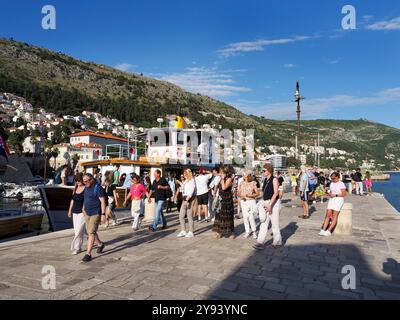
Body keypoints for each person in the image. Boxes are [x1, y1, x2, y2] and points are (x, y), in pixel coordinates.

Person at [253, 164, 282, 250]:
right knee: (264, 222)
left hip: (274, 203)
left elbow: (276, 193)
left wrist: (270, 205)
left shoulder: (274, 179)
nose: (263, 172)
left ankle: (277, 242)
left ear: (269, 171)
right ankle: (260, 242)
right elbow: (264, 192)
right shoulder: (265, 180)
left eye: (264, 171)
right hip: (266, 202)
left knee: (274, 223)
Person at [81, 173, 107, 262]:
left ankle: (88, 254)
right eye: (83, 181)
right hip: (87, 213)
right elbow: (85, 198)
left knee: (91, 233)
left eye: (86, 181)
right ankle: (100, 244)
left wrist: (103, 215)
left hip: (95, 213)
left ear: (91, 179)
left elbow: (103, 202)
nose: (84, 183)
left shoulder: (98, 188)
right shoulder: (86, 188)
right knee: (90, 232)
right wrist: (83, 208)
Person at [319, 172, 347, 237]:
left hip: (338, 199)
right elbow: (331, 192)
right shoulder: (331, 183)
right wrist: (328, 193)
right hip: (332, 199)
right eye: (331, 178)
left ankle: (329, 231)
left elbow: (344, 194)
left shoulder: (341, 183)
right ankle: (323, 229)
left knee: (334, 215)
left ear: (338, 177)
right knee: (328, 214)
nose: (332, 179)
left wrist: (335, 195)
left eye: (333, 178)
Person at [212, 167, 235, 240]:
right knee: (219, 215)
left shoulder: (229, 179)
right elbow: (218, 187)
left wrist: (222, 179)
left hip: (227, 200)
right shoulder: (221, 178)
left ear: (226, 173)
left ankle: (230, 232)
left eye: (222, 172)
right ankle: (219, 232)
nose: (221, 174)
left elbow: (224, 187)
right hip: (221, 199)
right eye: (221, 172)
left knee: (227, 216)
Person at [67, 173, 86, 255]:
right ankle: (91, 237)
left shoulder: (86, 188)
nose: (78, 182)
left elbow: (87, 200)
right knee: (77, 231)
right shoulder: (75, 187)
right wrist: (69, 210)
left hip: (82, 212)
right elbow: (73, 200)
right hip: (75, 211)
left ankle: (77, 248)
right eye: (76, 181)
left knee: (79, 231)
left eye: (79, 181)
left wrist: (84, 209)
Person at [238, 170, 259, 239]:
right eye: (243, 174)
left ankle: (254, 231)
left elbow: (257, 193)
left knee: (251, 217)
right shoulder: (241, 183)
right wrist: (241, 196)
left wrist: (250, 196)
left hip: (251, 201)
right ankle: (247, 231)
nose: (243, 175)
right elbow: (238, 193)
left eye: (244, 174)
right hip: (243, 201)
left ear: (248, 175)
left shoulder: (253, 183)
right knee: (245, 217)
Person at [177, 169, 196, 238]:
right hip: (184, 198)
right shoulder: (186, 181)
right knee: (181, 215)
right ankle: (183, 231)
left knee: (189, 216)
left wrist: (186, 200)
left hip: (188, 199)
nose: (184, 174)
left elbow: (191, 191)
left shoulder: (191, 181)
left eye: (185, 173)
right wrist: (180, 183)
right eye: (184, 173)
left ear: (188, 173)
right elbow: (183, 188)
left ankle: (191, 232)